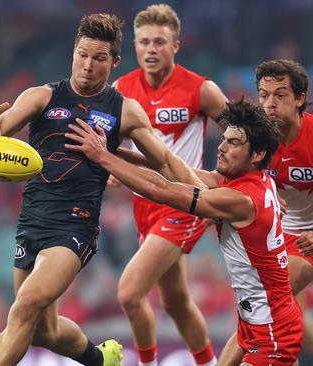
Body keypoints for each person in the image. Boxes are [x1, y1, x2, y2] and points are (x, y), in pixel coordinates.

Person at [0, 13, 204, 366]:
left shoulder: (125, 110)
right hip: (31, 223)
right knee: (42, 330)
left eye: (99, 58)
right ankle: (101, 359)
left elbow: (165, 161)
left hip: (75, 227)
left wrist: (205, 199)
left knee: (24, 306)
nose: (88, 65)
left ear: (114, 62)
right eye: (83, 55)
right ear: (74, 52)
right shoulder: (40, 97)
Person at [66, 97, 304, 366]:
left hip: (272, 328)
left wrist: (103, 157)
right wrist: (114, 150)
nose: (222, 148)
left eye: (234, 143)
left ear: (258, 154)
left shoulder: (240, 200)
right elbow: (170, 167)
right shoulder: (249, 180)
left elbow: (162, 190)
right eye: (224, 139)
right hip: (257, 319)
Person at [219, 59, 313, 366]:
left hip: (310, 240)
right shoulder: (257, 139)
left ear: (300, 98)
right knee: (272, 316)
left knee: (262, 305)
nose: (269, 103)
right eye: (263, 95)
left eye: (280, 94)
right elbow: (228, 178)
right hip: (269, 235)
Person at [112, 4, 228, 366]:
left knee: (129, 293)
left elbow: (244, 136)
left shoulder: (201, 90)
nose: (150, 49)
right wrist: (113, 165)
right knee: (175, 302)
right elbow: (108, 141)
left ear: (175, 46)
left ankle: (147, 363)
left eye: (159, 42)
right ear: (134, 45)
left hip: (185, 201)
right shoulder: (121, 89)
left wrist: (226, 183)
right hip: (144, 203)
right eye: (143, 42)